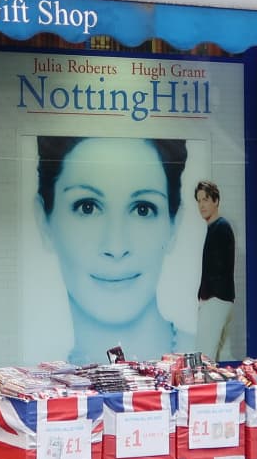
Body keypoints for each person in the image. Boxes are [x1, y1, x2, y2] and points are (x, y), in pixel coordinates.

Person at [35, 136, 187, 363]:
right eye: (87, 207)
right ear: (44, 221)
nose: (116, 247)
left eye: (143, 209)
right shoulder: (39, 373)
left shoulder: (208, 359)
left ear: (175, 224)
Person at [195, 180, 237, 360]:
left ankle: (204, 387)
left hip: (216, 299)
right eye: (199, 201)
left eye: (205, 199)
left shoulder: (221, 227)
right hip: (218, 299)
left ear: (216, 201)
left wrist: (206, 297)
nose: (201, 205)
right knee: (211, 355)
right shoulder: (215, 227)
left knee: (205, 356)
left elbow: (219, 268)